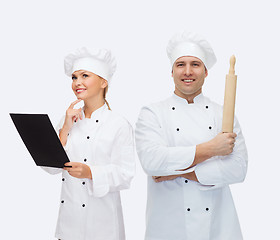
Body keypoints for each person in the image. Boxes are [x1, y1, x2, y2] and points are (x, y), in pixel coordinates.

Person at [135, 32, 248, 240]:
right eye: (181, 65)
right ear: (171, 72)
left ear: (206, 72)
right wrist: (212, 149)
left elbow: (238, 169)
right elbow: (151, 161)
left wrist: (178, 172)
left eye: (195, 64)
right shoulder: (152, 113)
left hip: (218, 227)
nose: (188, 72)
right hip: (168, 227)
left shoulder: (223, 114)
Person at [43, 47, 135, 240]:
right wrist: (65, 129)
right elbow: (51, 168)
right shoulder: (67, 119)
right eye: (74, 77)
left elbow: (125, 174)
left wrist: (90, 172)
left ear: (103, 82)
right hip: (68, 226)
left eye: (85, 75)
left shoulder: (118, 124)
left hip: (103, 227)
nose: (77, 83)